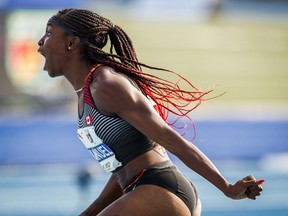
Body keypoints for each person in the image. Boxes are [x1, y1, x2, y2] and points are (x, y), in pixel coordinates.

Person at [37, 8, 264, 216]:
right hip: (147, 191)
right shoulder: (86, 92)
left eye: (48, 34)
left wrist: (227, 188)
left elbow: (170, 140)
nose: (40, 43)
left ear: (72, 43)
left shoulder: (106, 85)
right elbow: (122, 168)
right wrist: (90, 212)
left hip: (161, 190)